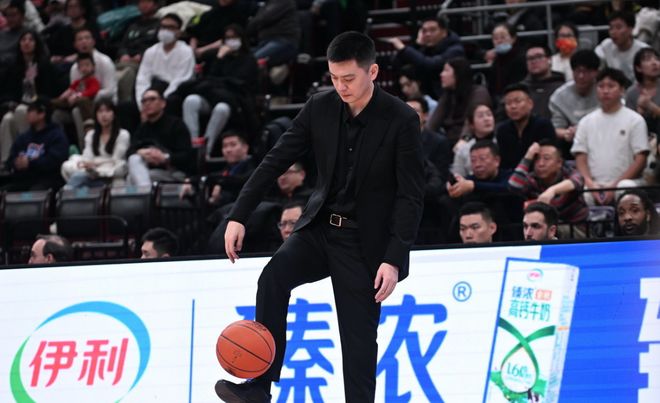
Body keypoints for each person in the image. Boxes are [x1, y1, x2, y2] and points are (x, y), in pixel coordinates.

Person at [214, 31, 425, 403]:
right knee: (273, 277)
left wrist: (393, 258)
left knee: (358, 345)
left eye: (349, 78)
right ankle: (260, 388)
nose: (341, 86)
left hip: (363, 244)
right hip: (320, 229)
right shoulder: (320, 107)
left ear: (372, 71)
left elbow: (411, 196)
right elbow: (274, 161)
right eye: (334, 78)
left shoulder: (401, 119)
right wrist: (239, 215)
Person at [571, 68, 650, 206]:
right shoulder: (586, 121)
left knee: (625, 187)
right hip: (595, 183)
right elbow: (580, 157)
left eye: (611, 86)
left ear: (622, 90)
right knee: (584, 191)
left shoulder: (635, 120)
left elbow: (640, 159)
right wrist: (590, 183)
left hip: (627, 182)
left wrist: (614, 186)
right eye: (601, 86)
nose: (605, 91)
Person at [181, 24, 258, 158]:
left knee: (221, 108)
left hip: (235, 101)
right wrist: (219, 57)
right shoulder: (218, 57)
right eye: (228, 38)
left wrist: (220, 82)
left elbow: (240, 82)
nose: (231, 41)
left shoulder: (249, 59)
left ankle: (205, 150)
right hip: (213, 96)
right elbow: (210, 78)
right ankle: (192, 145)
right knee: (191, 101)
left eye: (234, 37)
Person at [0, 29, 63, 165]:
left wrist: (35, 101)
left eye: (30, 40)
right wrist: (10, 103)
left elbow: (51, 92)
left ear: (36, 44)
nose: (27, 43)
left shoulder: (44, 65)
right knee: (7, 119)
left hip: (40, 106)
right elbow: (8, 91)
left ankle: (28, 153)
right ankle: (5, 162)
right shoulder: (14, 66)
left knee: (22, 110)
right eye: (23, 40)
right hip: (19, 105)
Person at [508, 140, 588, 225]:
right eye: (537, 159)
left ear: (559, 163)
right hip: (546, 226)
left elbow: (576, 181)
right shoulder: (533, 178)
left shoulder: (569, 172)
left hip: (575, 226)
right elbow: (514, 185)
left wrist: (552, 190)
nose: (541, 164)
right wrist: (528, 156)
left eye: (546, 158)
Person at [127, 87, 194, 186]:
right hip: (148, 168)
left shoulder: (176, 124)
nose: (147, 103)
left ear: (163, 103)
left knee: (134, 179)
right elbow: (129, 151)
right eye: (144, 101)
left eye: (152, 99)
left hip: (173, 171)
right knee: (134, 160)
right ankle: (147, 193)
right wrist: (141, 152)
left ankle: (146, 193)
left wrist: (164, 158)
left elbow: (187, 156)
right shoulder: (142, 128)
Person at [388, 16, 464, 99]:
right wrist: (416, 45)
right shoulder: (425, 48)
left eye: (432, 30)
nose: (428, 34)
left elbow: (430, 65)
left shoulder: (455, 49)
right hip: (426, 97)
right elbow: (397, 64)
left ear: (444, 32)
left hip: (449, 97)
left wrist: (403, 48)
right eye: (424, 31)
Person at [3, 97, 69, 191]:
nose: (27, 113)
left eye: (30, 110)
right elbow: (11, 159)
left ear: (42, 114)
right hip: (23, 180)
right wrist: (16, 163)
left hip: (47, 180)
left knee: (36, 192)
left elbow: (55, 161)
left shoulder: (56, 136)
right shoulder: (23, 137)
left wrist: (30, 163)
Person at [61, 99, 130, 188]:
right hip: (91, 173)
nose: (104, 115)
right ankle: (67, 193)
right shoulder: (91, 135)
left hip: (111, 174)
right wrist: (92, 165)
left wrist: (95, 163)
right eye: (100, 111)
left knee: (79, 177)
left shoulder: (123, 134)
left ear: (114, 114)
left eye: (107, 111)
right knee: (70, 167)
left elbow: (116, 160)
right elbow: (87, 159)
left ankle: (65, 193)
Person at [425, 57, 492, 144]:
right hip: (449, 140)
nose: (441, 74)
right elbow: (432, 123)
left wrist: (464, 139)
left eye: (446, 70)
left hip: (472, 141)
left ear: (458, 74)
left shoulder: (478, 92)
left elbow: (472, 119)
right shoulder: (448, 95)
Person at [549, 49, 600, 159]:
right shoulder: (559, 97)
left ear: (596, 72)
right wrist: (567, 133)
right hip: (573, 146)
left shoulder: (604, 90)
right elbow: (556, 128)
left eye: (586, 72)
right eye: (577, 71)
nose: (581, 76)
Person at [135, 13, 195, 102]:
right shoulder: (150, 51)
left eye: (170, 27)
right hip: (152, 90)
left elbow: (181, 79)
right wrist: (143, 99)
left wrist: (161, 100)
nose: (166, 30)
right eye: (163, 27)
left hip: (174, 93)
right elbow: (142, 78)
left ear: (179, 32)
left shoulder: (186, 51)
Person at [495, 83, 555, 170]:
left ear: (530, 104)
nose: (513, 106)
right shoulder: (502, 130)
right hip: (512, 175)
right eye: (508, 103)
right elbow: (504, 164)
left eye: (518, 101)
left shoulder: (543, 125)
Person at [114, 0, 160, 102]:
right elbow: (122, 45)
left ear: (155, 5)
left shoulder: (159, 25)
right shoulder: (132, 25)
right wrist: (123, 54)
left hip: (145, 63)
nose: (144, 5)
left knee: (127, 73)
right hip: (125, 61)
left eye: (147, 2)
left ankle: (125, 102)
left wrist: (142, 55)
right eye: (141, 2)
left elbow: (158, 46)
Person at [595, 11, 649, 83]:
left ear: (630, 29)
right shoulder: (606, 45)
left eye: (618, 27)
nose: (613, 32)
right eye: (611, 28)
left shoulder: (644, 50)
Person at [52, 53, 100, 123]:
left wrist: (78, 95)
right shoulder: (78, 81)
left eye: (87, 65)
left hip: (87, 103)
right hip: (73, 102)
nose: (84, 68)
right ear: (78, 68)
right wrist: (63, 96)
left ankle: (89, 123)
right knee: (54, 102)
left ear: (93, 66)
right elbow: (70, 89)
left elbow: (93, 90)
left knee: (82, 100)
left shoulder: (93, 80)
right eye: (81, 66)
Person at [521, 45, 565, 119]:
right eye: (530, 58)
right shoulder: (520, 89)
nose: (534, 61)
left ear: (549, 59)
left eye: (539, 57)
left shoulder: (562, 88)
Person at [451, 103, 495, 177]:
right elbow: (458, 176)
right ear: (472, 124)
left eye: (489, 114)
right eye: (480, 116)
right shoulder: (463, 149)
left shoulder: (502, 142)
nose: (486, 119)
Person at [486, 23, 527, 101]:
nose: (499, 41)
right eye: (495, 38)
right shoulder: (496, 59)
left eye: (503, 37)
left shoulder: (521, 58)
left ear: (513, 38)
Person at [626, 47, 660, 137]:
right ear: (638, 68)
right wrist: (639, 113)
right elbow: (628, 125)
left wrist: (652, 107)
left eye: (657, 59)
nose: (654, 63)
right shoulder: (631, 93)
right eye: (648, 59)